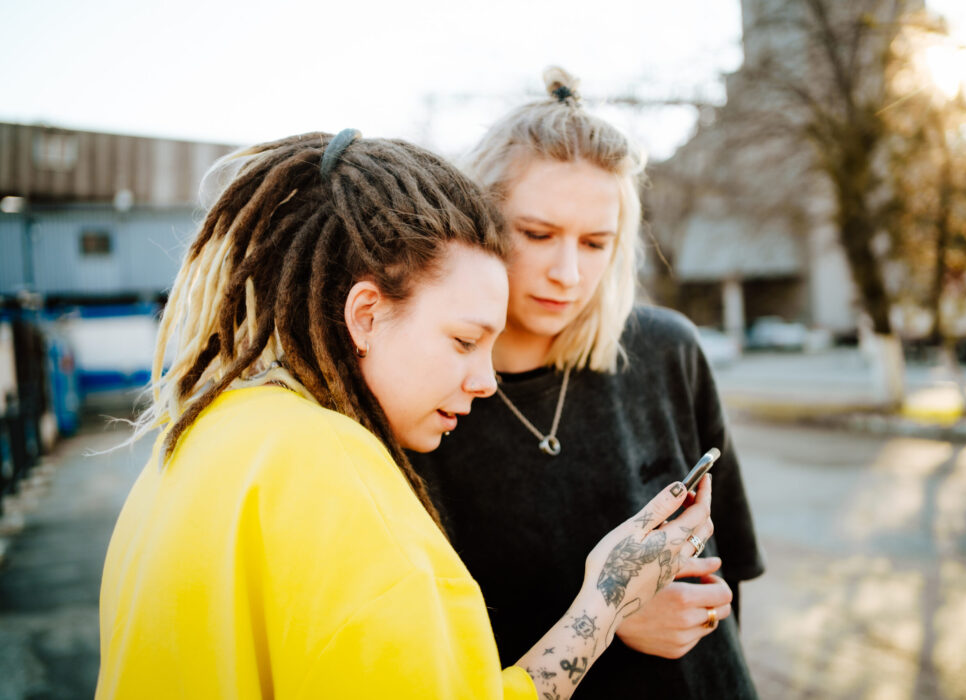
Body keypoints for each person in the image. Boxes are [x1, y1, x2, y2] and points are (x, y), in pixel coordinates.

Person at [95, 130, 714, 699]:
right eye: (464, 341)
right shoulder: (337, 472)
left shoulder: (209, 432)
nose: (484, 380)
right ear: (365, 315)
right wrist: (604, 605)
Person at [411, 69, 764, 698]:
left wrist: (703, 612)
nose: (569, 273)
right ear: (478, 221)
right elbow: (432, 642)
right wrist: (611, 618)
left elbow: (730, 571)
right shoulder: (424, 403)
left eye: (596, 242)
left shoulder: (667, 350)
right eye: (538, 234)